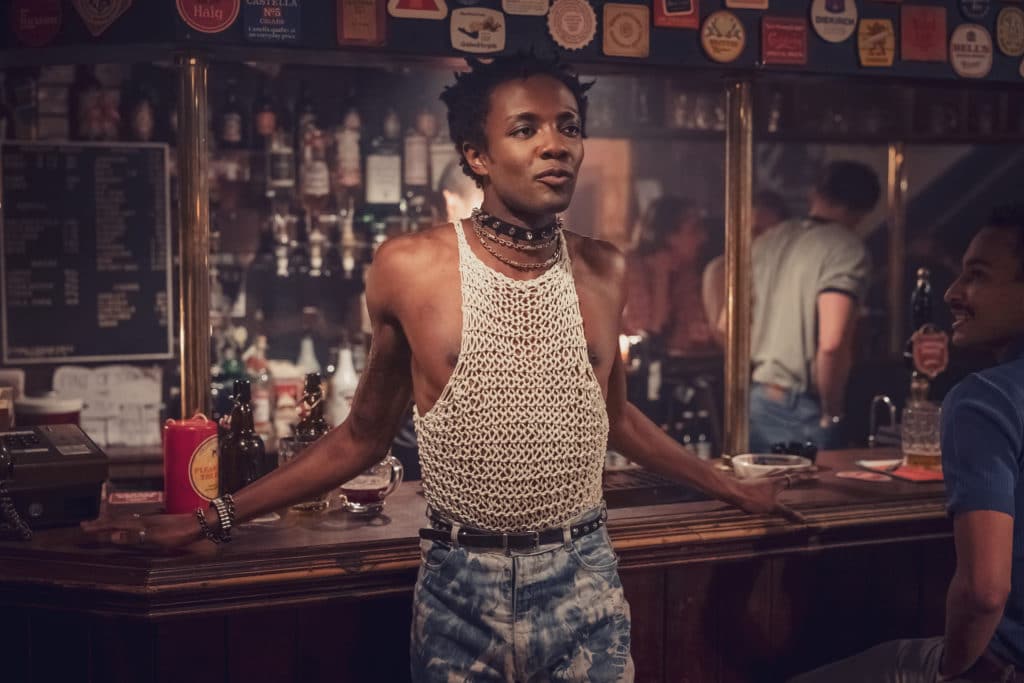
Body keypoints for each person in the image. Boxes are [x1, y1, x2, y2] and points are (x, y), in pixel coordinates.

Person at [84, 56, 801, 683]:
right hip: (461, 588)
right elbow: (361, 437)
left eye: (569, 126)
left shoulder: (604, 269)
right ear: (476, 155)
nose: (555, 144)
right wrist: (212, 517)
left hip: (584, 580)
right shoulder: (411, 267)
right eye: (525, 129)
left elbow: (614, 419)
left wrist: (731, 487)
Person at [788, 204, 1024, 683]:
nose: (952, 292)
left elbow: (984, 591)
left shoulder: (986, 399)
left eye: (977, 275)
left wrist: (951, 671)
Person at [748, 161, 880, 452]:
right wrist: (832, 411)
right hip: (802, 408)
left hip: (758, 398)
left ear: (815, 193)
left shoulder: (769, 239)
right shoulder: (846, 248)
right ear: (863, 210)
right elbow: (831, 343)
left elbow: (726, 325)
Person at [623, 196, 716, 356]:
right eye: (694, 230)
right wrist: (661, 279)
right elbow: (647, 335)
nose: (703, 238)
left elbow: (690, 336)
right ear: (669, 237)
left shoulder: (687, 271)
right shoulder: (629, 267)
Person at [701, 190, 791, 347]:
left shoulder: (792, 270)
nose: (762, 239)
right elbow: (723, 333)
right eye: (755, 231)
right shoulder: (721, 270)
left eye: (771, 233)